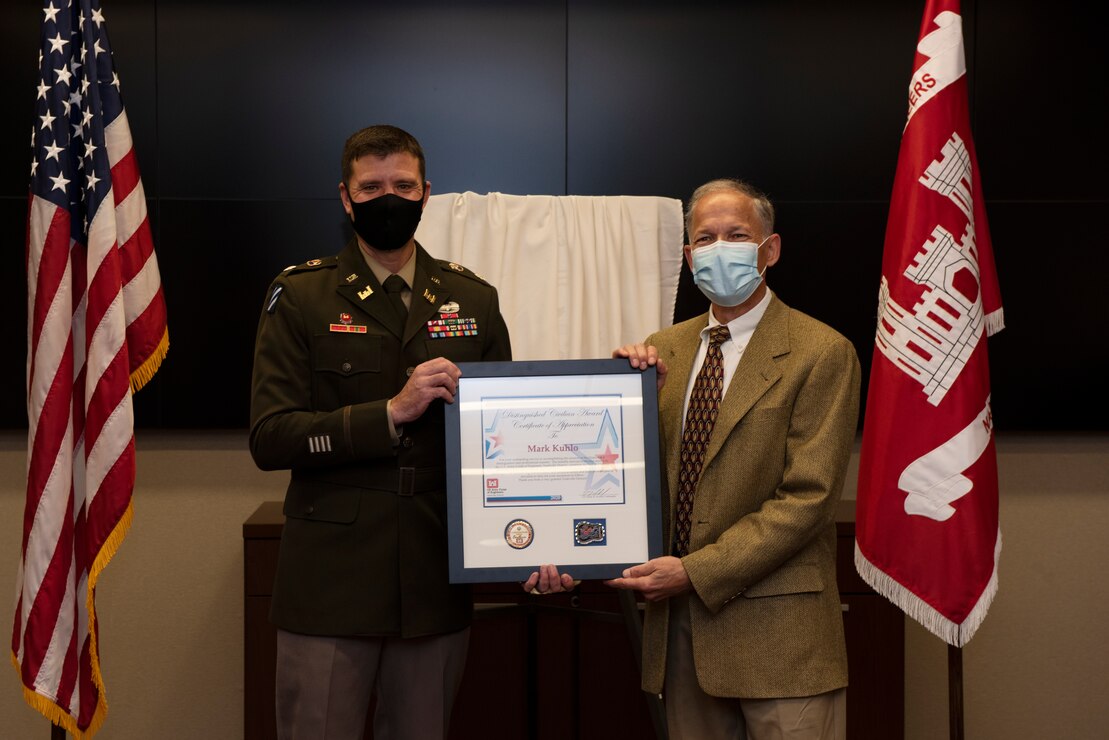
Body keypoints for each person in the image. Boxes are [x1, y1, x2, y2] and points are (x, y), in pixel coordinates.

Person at [249, 124, 517, 739]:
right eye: (371, 186)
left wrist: (538, 532)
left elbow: (499, 435)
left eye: (403, 184)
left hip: (432, 577)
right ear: (345, 198)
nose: (387, 197)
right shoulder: (300, 295)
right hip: (330, 584)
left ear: (427, 193)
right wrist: (389, 411)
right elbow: (271, 436)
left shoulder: (472, 298)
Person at [608, 178, 861, 739]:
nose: (720, 248)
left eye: (737, 235)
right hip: (679, 639)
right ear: (689, 256)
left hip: (780, 639)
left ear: (769, 249)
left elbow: (809, 499)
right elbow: (632, 477)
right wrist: (617, 398)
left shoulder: (822, 352)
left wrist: (694, 572)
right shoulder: (662, 349)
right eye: (705, 238)